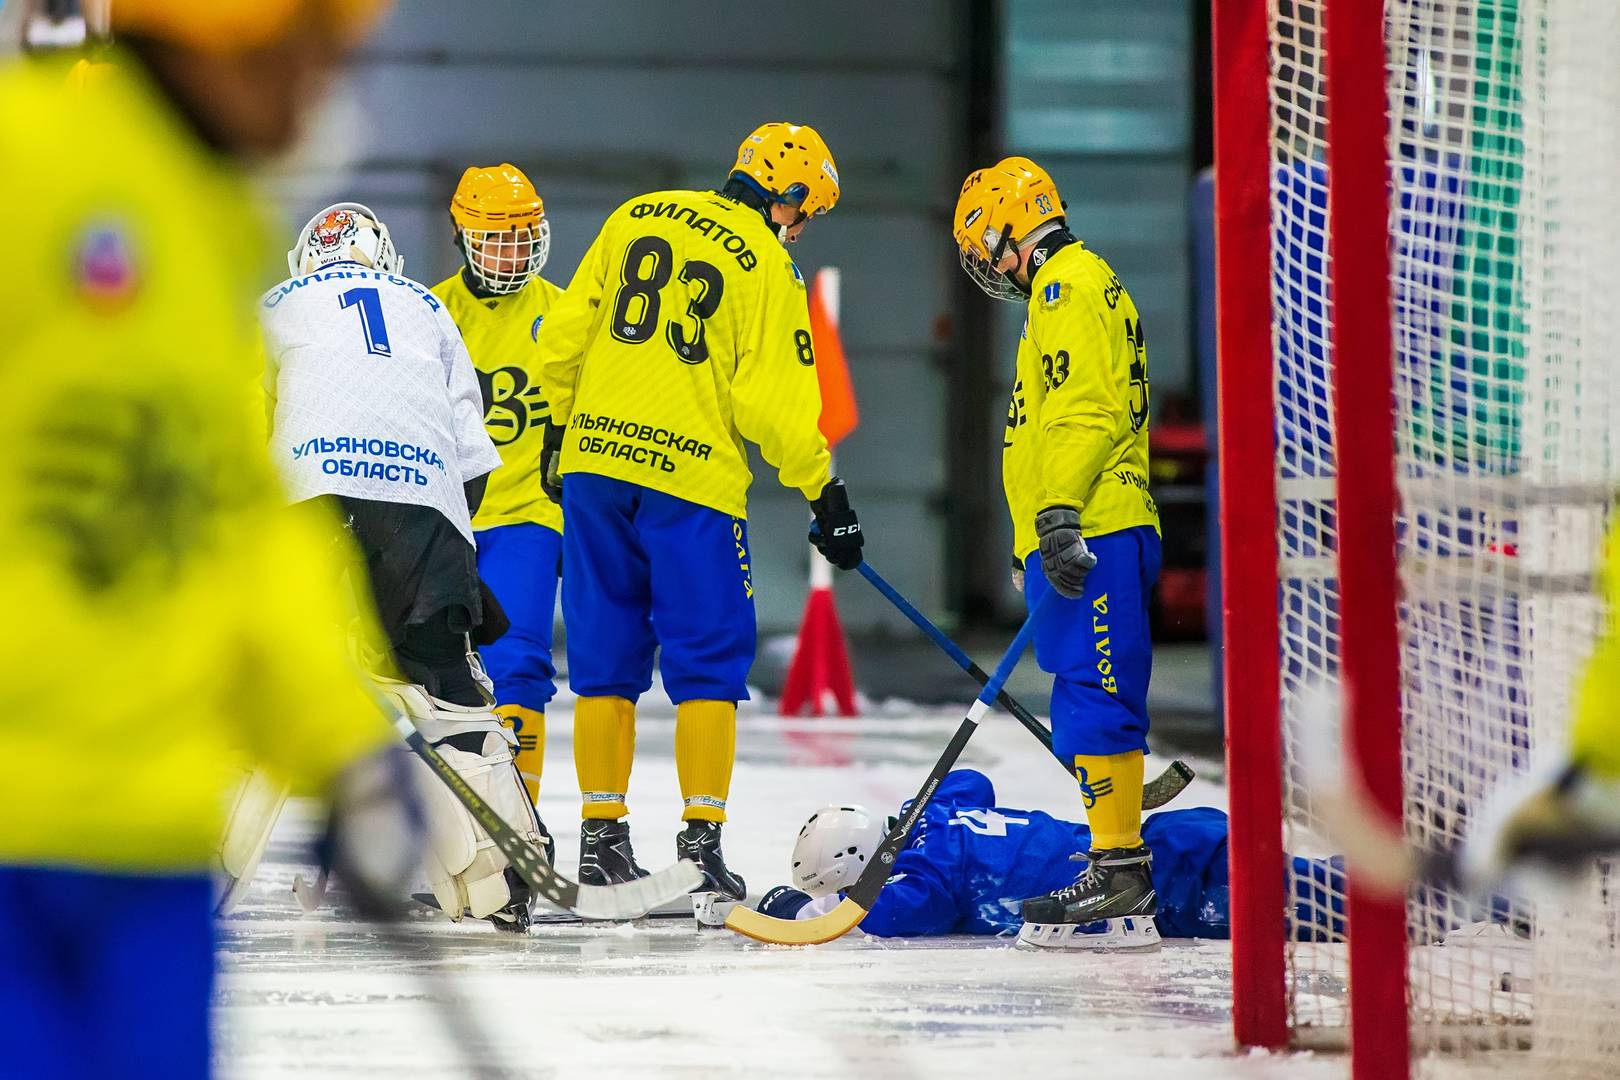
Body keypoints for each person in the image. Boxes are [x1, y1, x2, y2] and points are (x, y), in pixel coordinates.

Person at [0, 2, 412, 1077]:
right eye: (315, 52)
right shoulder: (25, 163)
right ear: (232, 34)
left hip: (147, 843)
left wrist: (342, 750)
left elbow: (236, 529)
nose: (325, 91)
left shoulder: (207, 229)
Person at [535, 122, 864, 916]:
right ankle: (700, 847)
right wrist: (824, 493)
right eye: (804, 211)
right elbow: (774, 404)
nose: (799, 223)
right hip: (690, 485)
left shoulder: (637, 213)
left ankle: (602, 839)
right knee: (708, 665)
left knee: (603, 661)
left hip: (595, 468)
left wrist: (557, 425)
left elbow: (565, 337)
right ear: (787, 198)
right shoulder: (767, 267)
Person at [261, 201, 546, 931]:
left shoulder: (273, 307)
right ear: (382, 254)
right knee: (451, 701)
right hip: (424, 512)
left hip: (308, 510)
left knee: (261, 697)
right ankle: (503, 884)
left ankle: (202, 885)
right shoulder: (427, 307)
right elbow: (473, 465)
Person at [952, 156, 1162, 949]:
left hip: (1095, 523)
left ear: (1008, 229)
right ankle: (1116, 857)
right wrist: (1027, 539)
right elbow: (1036, 427)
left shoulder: (1065, 286)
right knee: (1082, 696)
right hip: (1080, 524)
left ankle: (1120, 872)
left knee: (1096, 693)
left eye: (985, 244)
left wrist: (1059, 515)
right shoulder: (1069, 288)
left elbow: (1084, 408)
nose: (988, 265)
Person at [757, 769, 1351, 945]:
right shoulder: (938, 817)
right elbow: (972, 780)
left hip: (1162, 890)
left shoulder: (924, 877)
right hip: (1164, 841)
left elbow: (883, 916)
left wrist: (794, 910)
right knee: (1318, 886)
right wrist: (918, 807)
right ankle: (1411, 888)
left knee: (1328, 906)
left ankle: (1418, 892)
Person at [431, 163, 563, 818]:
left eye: (521, 237)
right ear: (462, 235)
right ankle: (446, 825)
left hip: (525, 514)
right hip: (442, 517)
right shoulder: (427, 310)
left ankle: (519, 820)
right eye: (495, 239)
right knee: (423, 677)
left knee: (518, 667)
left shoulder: (564, 313)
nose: (511, 254)